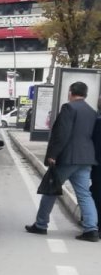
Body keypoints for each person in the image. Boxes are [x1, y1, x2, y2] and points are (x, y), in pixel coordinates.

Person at [27, 82, 99, 241]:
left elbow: (62, 133)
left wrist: (53, 154)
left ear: (71, 92)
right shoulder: (92, 111)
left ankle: (40, 225)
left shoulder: (69, 108)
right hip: (86, 158)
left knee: (50, 188)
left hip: (68, 157)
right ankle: (91, 229)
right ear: (85, 94)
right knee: (84, 194)